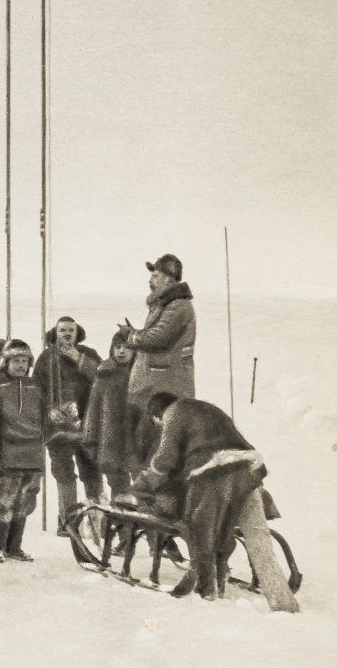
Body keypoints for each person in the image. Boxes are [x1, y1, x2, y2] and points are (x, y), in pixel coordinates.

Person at [120, 393, 263, 600]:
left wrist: (148, 479)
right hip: (247, 467)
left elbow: (165, 459)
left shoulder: (173, 412)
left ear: (158, 412)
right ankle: (219, 579)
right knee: (224, 526)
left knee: (200, 525)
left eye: (157, 421)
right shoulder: (207, 408)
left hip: (213, 469)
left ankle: (206, 588)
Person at [34, 316, 104, 534]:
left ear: (77, 333)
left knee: (92, 474)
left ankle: (98, 524)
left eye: (71, 330)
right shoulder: (45, 358)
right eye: (62, 330)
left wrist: (77, 358)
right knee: (64, 476)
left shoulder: (89, 354)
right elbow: (37, 390)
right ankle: (68, 524)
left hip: (87, 428)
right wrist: (48, 411)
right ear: (55, 333)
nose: (66, 334)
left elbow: (102, 380)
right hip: (57, 431)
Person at [126, 254, 197, 468]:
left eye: (155, 275)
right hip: (153, 389)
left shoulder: (179, 306)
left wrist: (132, 336)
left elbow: (158, 337)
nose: (151, 280)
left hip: (164, 389)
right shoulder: (163, 304)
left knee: (160, 450)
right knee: (145, 448)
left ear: (169, 278)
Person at [0, 340, 46, 563]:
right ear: (6, 362)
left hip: (32, 455)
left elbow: (45, 418)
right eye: (16, 360)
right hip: (7, 454)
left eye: (25, 361)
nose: (21, 365)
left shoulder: (35, 386)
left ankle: (15, 547)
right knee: (1, 503)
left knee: (24, 503)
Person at [83, 330, 137, 495]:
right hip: (111, 442)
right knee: (119, 491)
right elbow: (93, 410)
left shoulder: (142, 375)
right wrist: (90, 440)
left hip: (136, 442)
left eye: (127, 347)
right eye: (117, 347)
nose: (121, 351)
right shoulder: (104, 374)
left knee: (144, 491)